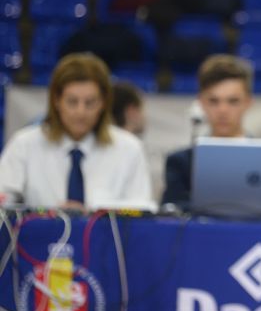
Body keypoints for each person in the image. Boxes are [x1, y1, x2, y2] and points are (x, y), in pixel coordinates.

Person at [0, 53, 152, 210]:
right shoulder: (24, 145)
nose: (81, 112)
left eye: (90, 103)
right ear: (56, 101)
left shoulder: (130, 149)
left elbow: (141, 212)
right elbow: (3, 205)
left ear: (104, 103)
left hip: (108, 236)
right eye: (72, 102)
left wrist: (91, 214)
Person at [162, 55, 254, 209]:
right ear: (201, 102)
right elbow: (169, 215)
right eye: (213, 101)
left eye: (233, 101)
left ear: (248, 103)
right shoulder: (181, 164)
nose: (223, 110)